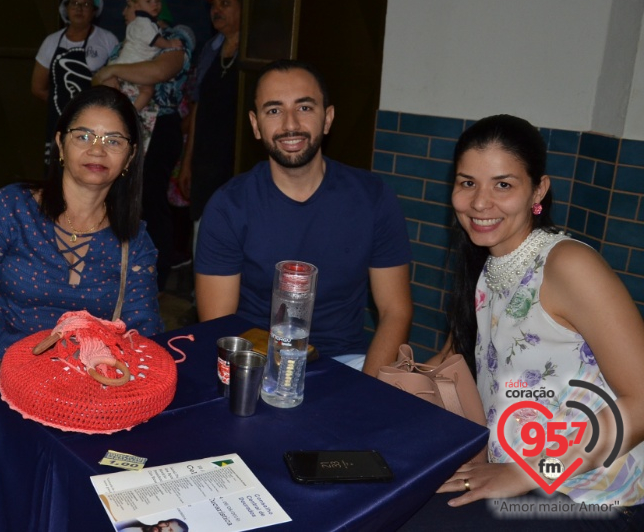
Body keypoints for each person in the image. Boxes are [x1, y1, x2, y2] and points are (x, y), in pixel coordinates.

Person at [402, 115, 644, 529]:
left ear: (539, 190)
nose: (480, 203)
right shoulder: (489, 265)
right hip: (511, 471)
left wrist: (532, 471)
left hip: (590, 491)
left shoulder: (569, 264)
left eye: (503, 185)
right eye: (467, 183)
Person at [194, 59, 413, 375]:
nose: (290, 124)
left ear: (328, 118)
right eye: (274, 110)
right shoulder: (229, 207)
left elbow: (396, 311)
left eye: (305, 108)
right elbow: (220, 327)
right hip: (258, 362)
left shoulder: (373, 197)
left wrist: (369, 390)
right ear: (255, 125)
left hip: (347, 363)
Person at [0, 85, 163, 357]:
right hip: (2, 366)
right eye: (84, 136)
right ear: (60, 144)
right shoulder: (11, 209)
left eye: (113, 141)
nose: (97, 151)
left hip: (89, 381)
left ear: (130, 157)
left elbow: (142, 329)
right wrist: (33, 362)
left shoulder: (133, 241)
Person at [93, 5, 195, 290]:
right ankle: (121, 275)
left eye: (151, 2)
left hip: (159, 128)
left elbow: (159, 71)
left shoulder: (177, 36)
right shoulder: (122, 44)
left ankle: (156, 278)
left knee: (150, 199)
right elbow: (100, 81)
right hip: (123, 126)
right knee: (119, 199)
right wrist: (115, 74)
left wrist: (114, 70)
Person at [178, 0, 242, 247]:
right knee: (202, 229)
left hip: (237, 159)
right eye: (214, 5)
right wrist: (187, 162)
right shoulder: (210, 50)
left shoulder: (255, 52)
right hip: (206, 159)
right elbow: (197, 108)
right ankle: (201, 289)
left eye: (225, 3)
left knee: (236, 228)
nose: (217, 10)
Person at [31, 0, 119, 164]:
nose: (79, 8)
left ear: (94, 11)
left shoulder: (107, 40)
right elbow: (37, 88)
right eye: (74, 3)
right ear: (66, 8)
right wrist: (63, 104)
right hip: (60, 121)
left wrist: (88, 110)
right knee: (58, 170)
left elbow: (117, 84)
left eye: (86, 4)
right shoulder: (52, 41)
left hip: (95, 123)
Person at [104, 0, 182, 112]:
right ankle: (131, 113)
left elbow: (160, 71)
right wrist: (170, 44)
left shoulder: (148, 26)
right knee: (147, 91)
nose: (124, 12)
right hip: (132, 65)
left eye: (157, 1)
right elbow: (155, 40)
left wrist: (111, 71)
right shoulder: (144, 24)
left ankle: (128, 114)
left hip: (160, 121)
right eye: (149, 1)